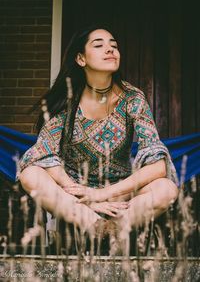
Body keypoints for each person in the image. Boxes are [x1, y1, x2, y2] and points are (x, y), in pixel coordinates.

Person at [18, 24, 179, 241]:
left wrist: (103, 194)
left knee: (167, 189)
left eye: (114, 45)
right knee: (30, 174)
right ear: (81, 59)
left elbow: (158, 166)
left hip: (120, 192)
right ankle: (93, 225)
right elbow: (43, 154)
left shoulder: (133, 98)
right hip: (75, 194)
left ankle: (115, 228)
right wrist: (87, 197)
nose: (110, 49)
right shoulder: (66, 100)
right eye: (99, 45)